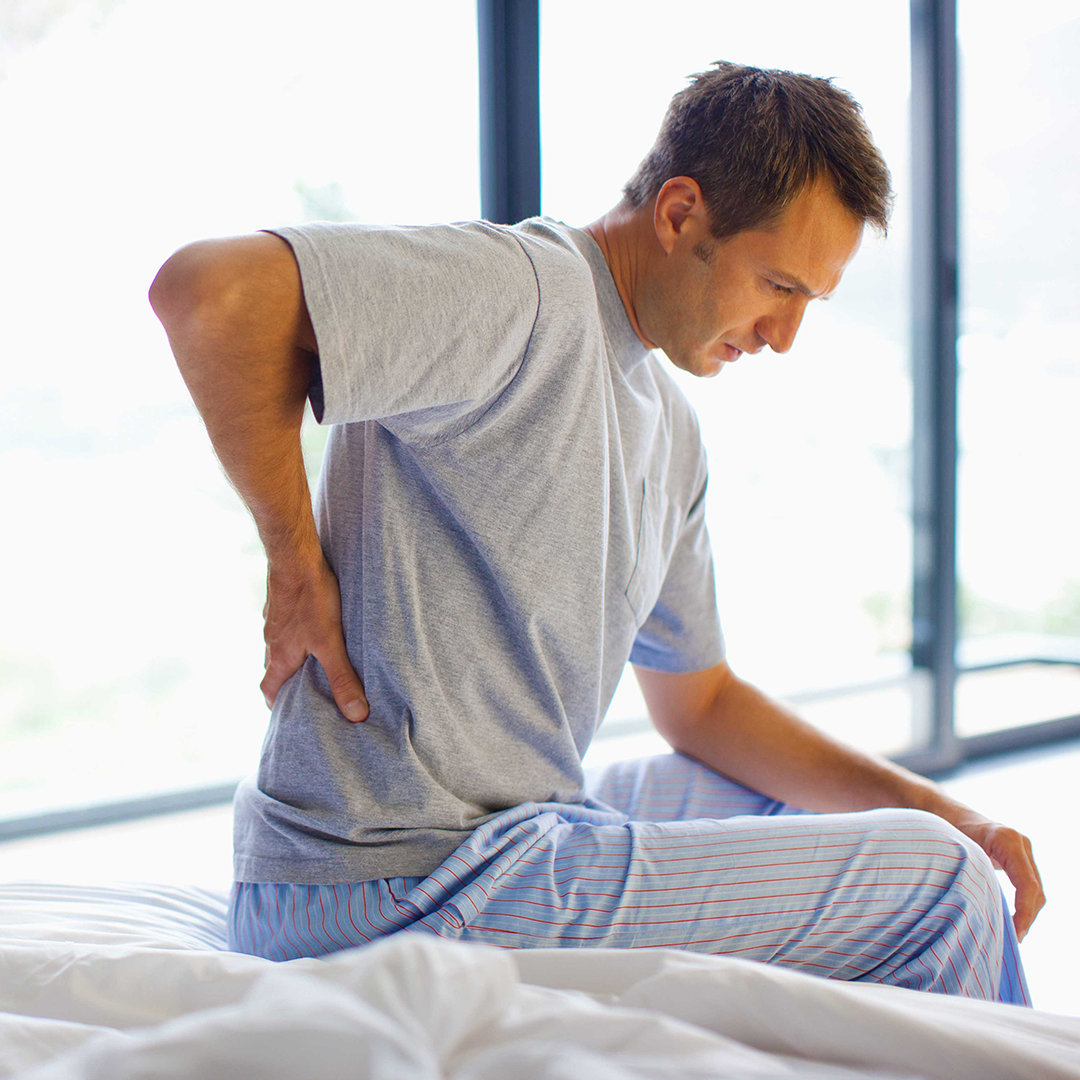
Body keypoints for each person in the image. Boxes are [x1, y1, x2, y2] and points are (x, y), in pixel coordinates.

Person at [150, 62, 1043, 1003]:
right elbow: (212, 294)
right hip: (389, 879)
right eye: (776, 285)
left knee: (840, 817)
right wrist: (296, 565)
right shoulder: (525, 294)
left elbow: (700, 705)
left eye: (807, 302)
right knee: (942, 889)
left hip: (516, 832)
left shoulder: (671, 426)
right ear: (680, 213)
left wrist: (946, 813)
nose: (783, 336)